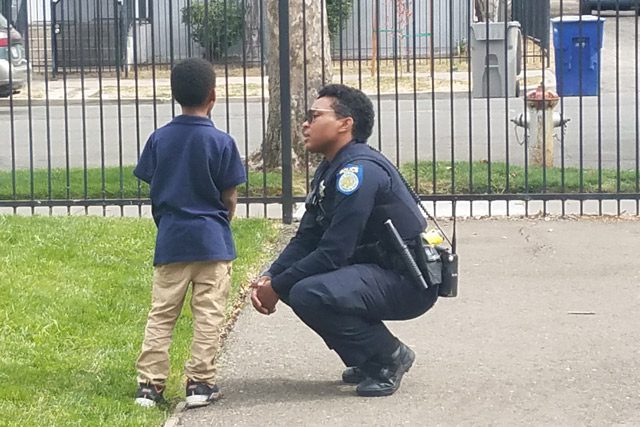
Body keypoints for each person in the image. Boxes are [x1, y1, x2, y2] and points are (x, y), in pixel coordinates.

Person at [250, 84, 439, 397]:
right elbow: (308, 237)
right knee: (299, 286)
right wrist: (271, 276)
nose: (305, 124)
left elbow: (334, 252)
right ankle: (368, 357)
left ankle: (388, 358)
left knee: (308, 292)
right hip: (377, 271)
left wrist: (279, 287)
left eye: (315, 116)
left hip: (408, 281)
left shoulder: (358, 173)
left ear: (345, 123)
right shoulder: (332, 168)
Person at [133, 58, 246, 408]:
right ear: (213, 96)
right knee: (209, 314)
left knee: (162, 313)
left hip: (171, 240)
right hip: (213, 242)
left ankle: (150, 385)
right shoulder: (222, 142)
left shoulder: (159, 139)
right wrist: (222, 218)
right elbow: (229, 197)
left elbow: (154, 184)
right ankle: (200, 382)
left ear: (174, 94)